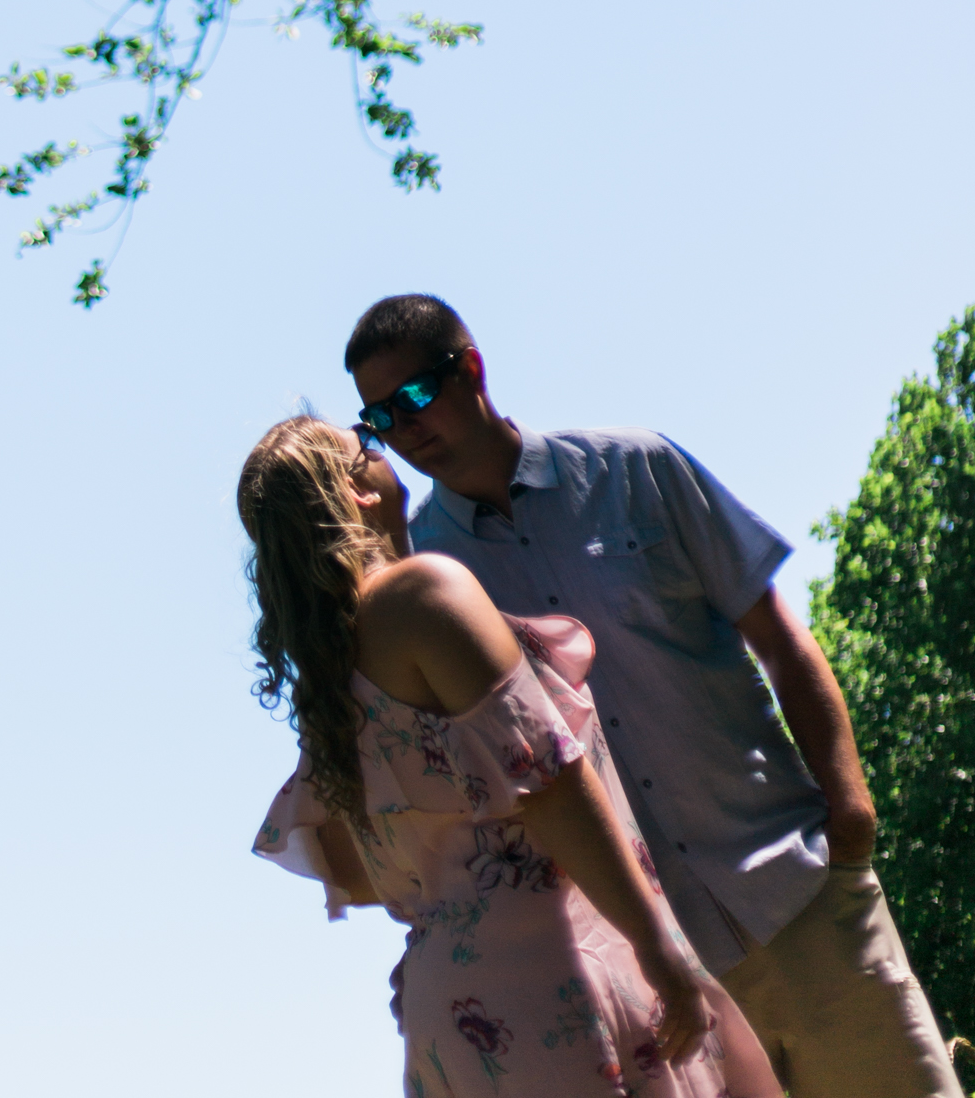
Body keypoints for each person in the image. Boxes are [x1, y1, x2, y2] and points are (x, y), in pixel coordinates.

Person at [344, 292, 962, 1098]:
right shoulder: (433, 591)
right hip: (660, 978)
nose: (405, 426)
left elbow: (779, 636)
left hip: (799, 895)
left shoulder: (637, 469)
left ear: (471, 368)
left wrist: (849, 812)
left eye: (416, 396)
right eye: (380, 417)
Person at [240, 412, 780, 1096]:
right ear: (359, 492)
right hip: (560, 973)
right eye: (367, 445)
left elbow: (357, 873)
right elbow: (549, 781)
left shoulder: (328, 677)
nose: (385, 452)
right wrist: (654, 944)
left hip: (459, 1012)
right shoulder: (425, 596)